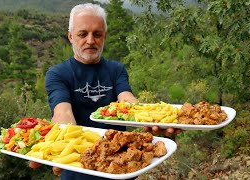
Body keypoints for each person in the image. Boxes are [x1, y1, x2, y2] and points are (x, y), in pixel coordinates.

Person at [30, 3, 180, 179]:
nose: (91, 40)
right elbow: (62, 112)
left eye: (97, 34)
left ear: (105, 36)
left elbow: (127, 100)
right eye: (82, 34)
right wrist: (63, 145)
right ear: (70, 36)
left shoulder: (116, 69)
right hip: (79, 169)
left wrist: (153, 117)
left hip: (122, 167)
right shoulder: (58, 73)